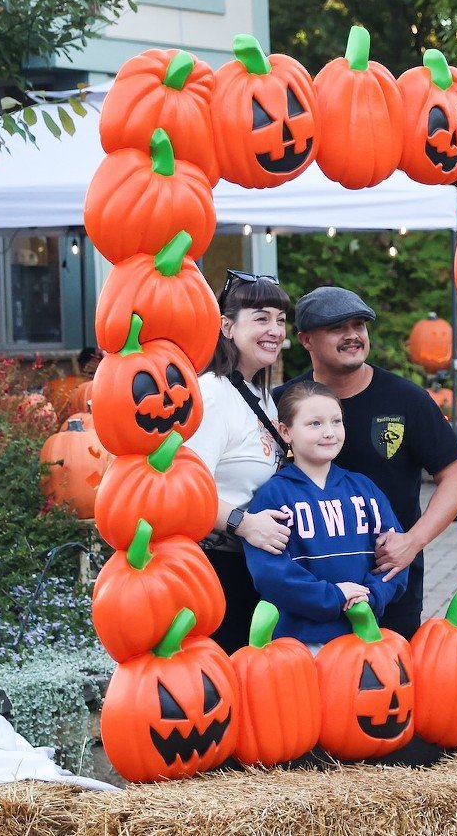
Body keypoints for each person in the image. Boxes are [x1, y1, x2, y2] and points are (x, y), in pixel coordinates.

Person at [278, 287, 457, 639]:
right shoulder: (285, 404)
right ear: (306, 339)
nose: (353, 335)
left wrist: (413, 541)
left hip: (388, 584)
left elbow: (456, 477)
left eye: (359, 324)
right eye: (337, 327)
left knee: (387, 688)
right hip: (306, 591)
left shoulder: (407, 400)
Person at [242, 381, 405, 648]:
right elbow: (271, 574)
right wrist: (333, 596)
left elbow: (396, 558)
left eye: (336, 422)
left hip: (361, 637)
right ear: (286, 431)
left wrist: (371, 597)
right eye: (315, 424)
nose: (329, 432)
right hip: (300, 643)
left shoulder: (364, 489)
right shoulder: (274, 496)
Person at [186, 270, 293, 654]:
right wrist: (244, 524)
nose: (276, 330)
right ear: (226, 327)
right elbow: (183, 492)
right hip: (217, 569)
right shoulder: (212, 394)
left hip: (253, 567)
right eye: (261, 318)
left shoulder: (258, 393)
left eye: (280, 320)